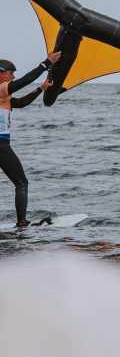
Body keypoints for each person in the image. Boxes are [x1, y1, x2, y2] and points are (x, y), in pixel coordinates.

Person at [0, 52, 59, 228]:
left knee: (20, 183)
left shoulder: (3, 95)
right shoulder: (1, 89)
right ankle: (21, 222)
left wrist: (41, 88)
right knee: (21, 183)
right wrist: (46, 63)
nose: (13, 77)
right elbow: (24, 81)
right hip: (1, 145)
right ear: (1, 73)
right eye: (11, 73)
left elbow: (21, 103)